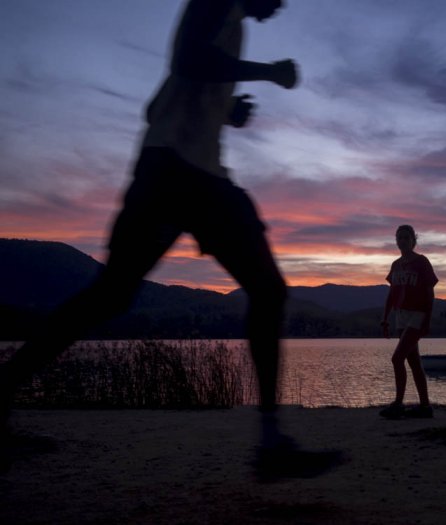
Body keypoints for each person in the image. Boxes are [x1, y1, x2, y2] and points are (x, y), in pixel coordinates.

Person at [1, 0, 339, 479]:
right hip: (177, 175)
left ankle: (271, 443)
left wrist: (226, 111)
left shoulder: (232, 22)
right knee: (115, 296)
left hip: (187, 174)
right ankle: (270, 444)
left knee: (125, 295)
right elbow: (187, 61)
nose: (281, 5)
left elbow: (159, 102)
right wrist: (268, 72)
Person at [379, 225, 438, 419]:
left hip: (417, 315)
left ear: (414, 240)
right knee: (414, 363)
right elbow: (392, 293)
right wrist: (385, 319)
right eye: (399, 238)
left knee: (397, 358)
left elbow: (430, 292)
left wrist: (427, 320)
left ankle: (397, 404)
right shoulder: (396, 265)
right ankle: (425, 406)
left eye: (406, 238)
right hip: (401, 316)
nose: (402, 241)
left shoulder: (422, 262)